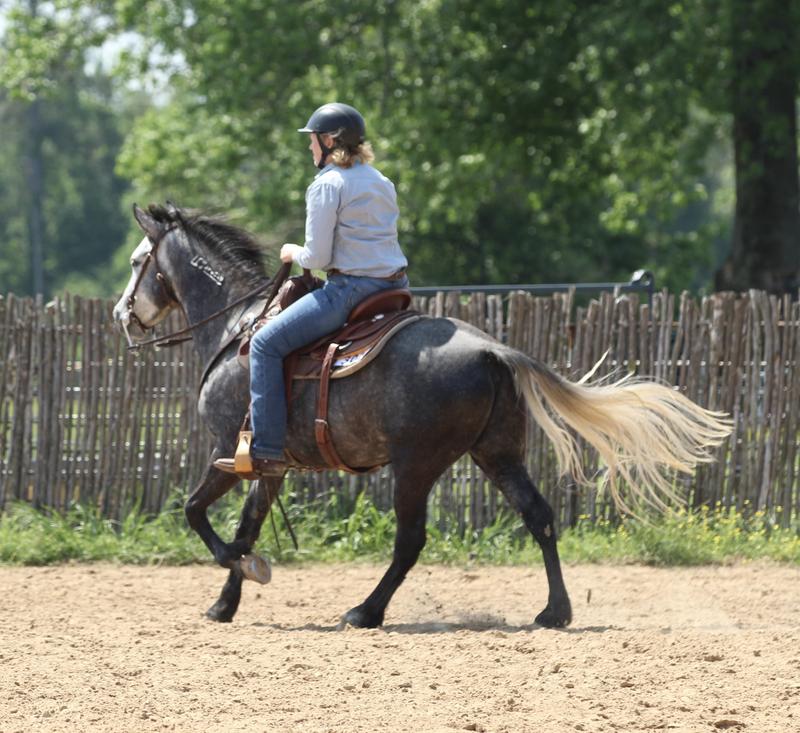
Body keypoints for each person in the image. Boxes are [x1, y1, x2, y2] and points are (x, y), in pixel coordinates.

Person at [214, 102, 409, 477]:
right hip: (394, 288)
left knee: (264, 344)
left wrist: (291, 251)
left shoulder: (328, 184)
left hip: (349, 292)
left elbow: (316, 256)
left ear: (330, 140)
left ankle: (267, 451)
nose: (309, 148)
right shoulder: (381, 180)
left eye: (313, 140)